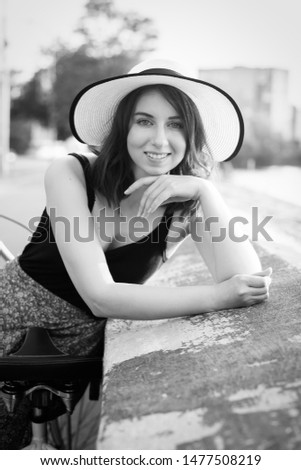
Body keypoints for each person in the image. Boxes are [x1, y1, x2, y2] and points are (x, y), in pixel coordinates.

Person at [0, 59, 272, 448]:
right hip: (7, 320)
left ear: (191, 133)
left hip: (68, 357)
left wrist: (205, 192)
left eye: (176, 124)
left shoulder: (183, 207)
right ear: (123, 127)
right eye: (144, 121)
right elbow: (99, 296)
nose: (160, 140)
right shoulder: (70, 172)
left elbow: (248, 279)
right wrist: (216, 297)